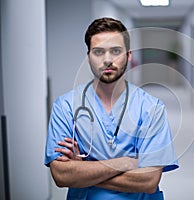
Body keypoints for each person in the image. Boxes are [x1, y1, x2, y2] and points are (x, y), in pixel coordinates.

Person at [44, 17, 179, 199]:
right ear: (88, 56)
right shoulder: (66, 106)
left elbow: (149, 181)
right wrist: (125, 163)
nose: (107, 60)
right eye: (98, 52)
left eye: (115, 51)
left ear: (129, 56)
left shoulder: (151, 108)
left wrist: (82, 172)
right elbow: (61, 175)